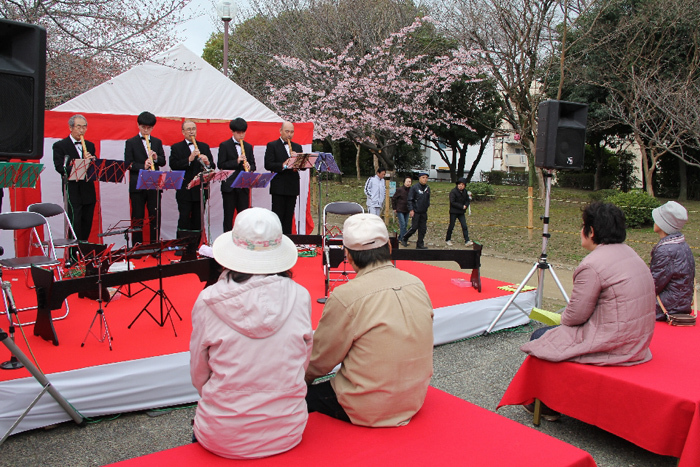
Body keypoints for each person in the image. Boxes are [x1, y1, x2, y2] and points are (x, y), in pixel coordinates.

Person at [190, 207, 313, 459]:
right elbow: (302, 360)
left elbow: (199, 373)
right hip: (287, 430)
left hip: (222, 434)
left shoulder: (208, 300)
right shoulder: (300, 295)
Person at [519, 202, 656, 421]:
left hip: (613, 342)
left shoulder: (592, 265)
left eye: (583, 226)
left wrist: (561, 318)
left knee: (541, 336)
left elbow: (575, 317)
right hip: (638, 341)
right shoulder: (632, 254)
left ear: (591, 231)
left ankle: (547, 404)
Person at [305, 213, 434, 427]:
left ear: (347, 255)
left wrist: (299, 382)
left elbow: (321, 359)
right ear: (389, 249)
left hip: (366, 405)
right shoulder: (416, 283)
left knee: (294, 398)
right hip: (414, 397)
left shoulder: (347, 295)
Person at [169, 120, 215, 254]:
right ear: (183, 132)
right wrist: (189, 159)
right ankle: (181, 247)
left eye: (193, 129)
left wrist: (207, 162)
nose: (191, 131)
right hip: (184, 189)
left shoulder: (204, 147)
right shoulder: (176, 148)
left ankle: (196, 247)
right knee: (184, 217)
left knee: (198, 218)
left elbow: (212, 167)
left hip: (200, 189)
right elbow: (173, 165)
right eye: (188, 129)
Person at [52, 114, 96, 242]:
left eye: (84, 127)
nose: (82, 130)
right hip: (72, 190)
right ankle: (73, 256)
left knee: (87, 222)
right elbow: (60, 168)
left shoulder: (90, 145)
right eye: (78, 127)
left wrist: (93, 162)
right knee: (75, 222)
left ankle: (84, 251)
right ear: (71, 128)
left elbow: (94, 169)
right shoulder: (60, 145)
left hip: (88, 189)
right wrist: (82, 163)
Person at [124, 111, 166, 246]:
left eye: (149, 128)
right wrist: (143, 165)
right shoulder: (130, 142)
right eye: (143, 127)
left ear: (153, 127)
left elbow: (163, 161)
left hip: (154, 183)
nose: (146, 130)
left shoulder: (157, 142)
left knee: (155, 216)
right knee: (137, 217)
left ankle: (154, 245)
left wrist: (155, 158)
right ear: (138, 125)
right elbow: (128, 164)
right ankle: (137, 246)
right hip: (137, 185)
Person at [650, 201, 695, 321]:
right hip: (681, 301)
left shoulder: (666, 250)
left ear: (664, 224)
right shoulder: (682, 244)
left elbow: (653, 285)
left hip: (667, 305)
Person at [217, 118, 256, 232]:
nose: (241, 135)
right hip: (229, 186)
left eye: (243, 132)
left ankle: (243, 241)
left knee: (243, 217)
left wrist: (250, 167)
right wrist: (237, 161)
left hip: (243, 186)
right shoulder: (224, 145)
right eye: (239, 132)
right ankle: (227, 242)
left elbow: (253, 165)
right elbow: (221, 164)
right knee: (228, 216)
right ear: (233, 132)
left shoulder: (248, 146)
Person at [264, 121, 303, 234]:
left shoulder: (297, 146)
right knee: (277, 216)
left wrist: (297, 160)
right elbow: (268, 164)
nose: (289, 134)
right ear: (280, 131)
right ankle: (276, 239)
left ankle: (288, 240)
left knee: (289, 216)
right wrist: (283, 164)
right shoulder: (272, 146)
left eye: (291, 132)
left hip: (292, 185)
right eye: (287, 131)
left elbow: (303, 166)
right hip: (279, 186)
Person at [401, 172, 431, 249]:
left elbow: (428, 199)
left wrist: (427, 206)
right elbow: (410, 200)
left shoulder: (427, 188)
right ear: (419, 178)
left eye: (426, 178)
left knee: (423, 229)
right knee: (414, 227)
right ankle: (404, 238)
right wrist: (411, 209)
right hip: (416, 211)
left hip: (423, 212)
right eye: (423, 177)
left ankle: (420, 244)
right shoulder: (414, 188)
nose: (425, 179)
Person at [445, 177, 472, 247]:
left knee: (464, 226)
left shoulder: (465, 192)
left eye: (462, 185)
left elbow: (467, 200)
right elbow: (452, 202)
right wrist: (461, 206)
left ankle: (467, 240)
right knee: (451, 225)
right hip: (453, 212)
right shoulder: (453, 192)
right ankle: (448, 239)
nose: (461, 186)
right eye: (459, 184)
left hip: (461, 212)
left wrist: (466, 205)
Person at [392, 176, 412, 242]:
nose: (408, 183)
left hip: (407, 210)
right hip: (400, 209)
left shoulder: (411, 190)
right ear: (404, 182)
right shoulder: (400, 190)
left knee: (405, 224)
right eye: (407, 182)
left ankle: (400, 238)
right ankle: (404, 239)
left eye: (410, 182)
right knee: (402, 224)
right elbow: (394, 198)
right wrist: (394, 208)